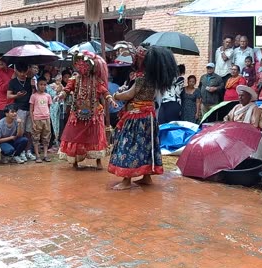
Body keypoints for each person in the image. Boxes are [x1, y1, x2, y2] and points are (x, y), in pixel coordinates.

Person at [108, 46, 176, 190]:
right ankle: (147, 177)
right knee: (147, 146)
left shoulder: (141, 77)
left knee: (129, 145)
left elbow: (129, 95)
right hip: (148, 117)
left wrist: (115, 95)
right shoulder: (152, 77)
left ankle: (127, 180)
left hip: (137, 117)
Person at [56, 51, 117, 169]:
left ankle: (98, 161)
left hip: (94, 112)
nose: (82, 69)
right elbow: (67, 90)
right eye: (80, 66)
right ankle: (74, 161)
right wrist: (61, 95)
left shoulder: (96, 80)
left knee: (96, 135)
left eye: (84, 66)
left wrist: (111, 100)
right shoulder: (74, 79)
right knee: (74, 136)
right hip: (77, 112)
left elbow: (104, 92)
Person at [7, 62, 36, 161]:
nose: (22, 74)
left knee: (29, 131)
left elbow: (35, 94)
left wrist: (33, 86)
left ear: (27, 70)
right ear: (16, 71)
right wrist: (17, 95)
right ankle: (22, 151)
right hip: (19, 109)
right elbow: (8, 96)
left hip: (30, 109)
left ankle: (28, 151)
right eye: (20, 72)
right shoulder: (13, 82)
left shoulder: (30, 80)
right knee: (21, 131)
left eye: (24, 72)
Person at [30, 77, 53, 163]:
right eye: (41, 84)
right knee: (36, 137)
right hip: (37, 119)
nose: (42, 86)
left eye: (44, 85)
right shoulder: (34, 96)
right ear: (37, 85)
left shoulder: (48, 96)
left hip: (46, 119)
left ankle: (45, 155)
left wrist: (48, 117)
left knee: (46, 137)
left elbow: (49, 107)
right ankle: (37, 156)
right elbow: (31, 110)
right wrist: (33, 122)